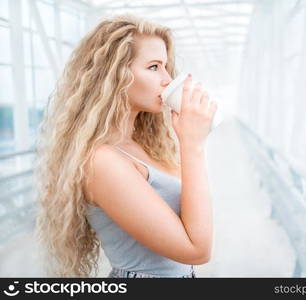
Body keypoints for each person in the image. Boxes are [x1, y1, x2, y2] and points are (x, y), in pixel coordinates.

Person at [34, 14, 217, 278]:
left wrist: (191, 141)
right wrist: (193, 144)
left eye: (166, 66)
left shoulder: (142, 145)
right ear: (116, 74)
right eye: (154, 67)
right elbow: (197, 250)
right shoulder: (101, 162)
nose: (168, 78)